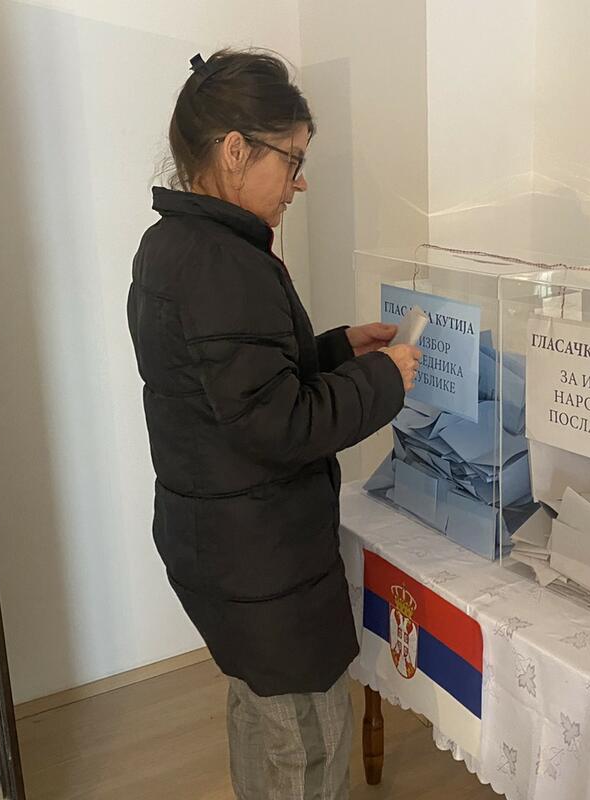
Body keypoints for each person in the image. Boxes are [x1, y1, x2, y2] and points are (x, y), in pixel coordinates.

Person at [127, 49, 421, 799]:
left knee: (260, 710)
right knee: (307, 740)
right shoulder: (226, 262)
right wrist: (383, 381)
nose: (300, 182)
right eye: (292, 160)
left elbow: (232, 384)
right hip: (260, 556)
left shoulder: (171, 244)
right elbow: (279, 424)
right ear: (235, 151)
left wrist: (340, 349)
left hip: (215, 539)